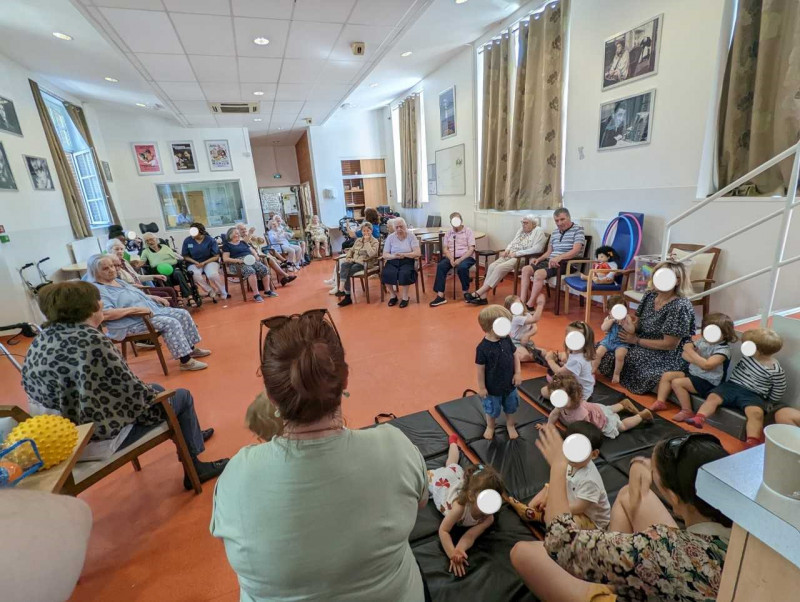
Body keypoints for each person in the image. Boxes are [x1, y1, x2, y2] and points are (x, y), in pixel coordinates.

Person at [211, 310, 432, 601]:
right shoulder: (394, 447)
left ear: (270, 393)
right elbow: (421, 503)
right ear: (345, 378)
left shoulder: (238, 475)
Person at [21, 281, 227, 487]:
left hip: (58, 432)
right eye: (99, 300)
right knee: (181, 396)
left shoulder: (42, 338)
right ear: (90, 307)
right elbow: (134, 395)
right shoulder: (91, 341)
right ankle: (195, 468)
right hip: (93, 436)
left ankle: (191, 435)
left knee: (157, 388)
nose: (102, 304)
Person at [511, 428, 731, 602]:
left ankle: (604, 580)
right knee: (629, 493)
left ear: (673, 496)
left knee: (521, 552)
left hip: (666, 569)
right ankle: (610, 569)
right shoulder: (745, 527)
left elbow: (559, 542)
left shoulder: (658, 549)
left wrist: (558, 465)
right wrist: (637, 464)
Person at [87, 254, 210, 371]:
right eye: (105, 268)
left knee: (183, 314)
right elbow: (106, 314)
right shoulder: (99, 290)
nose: (112, 270)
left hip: (150, 313)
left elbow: (135, 295)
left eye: (112, 266)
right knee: (170, 323)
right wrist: (136, 310)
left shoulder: (118, 281)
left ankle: (190, 349)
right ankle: (186, 361)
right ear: (95, 272)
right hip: (130, 323)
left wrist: (154, 298)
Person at [597, 260, 697, 394]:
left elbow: (670, 344)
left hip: (666, 353)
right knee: (602, 348)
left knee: (627, 357)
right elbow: (638, 323)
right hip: (640, 339)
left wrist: (635, 340)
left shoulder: (680, 306)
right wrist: (625, 325)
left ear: (677, 281)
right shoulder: (650, 295)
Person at [687, 328, 786, 448]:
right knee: (713, 397)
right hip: (732, 386)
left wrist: (770, 401)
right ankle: (700, 417)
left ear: (759, 351)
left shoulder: (775, 369)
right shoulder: (748, 357)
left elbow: (779, 387)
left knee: (756, 413)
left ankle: (752, 440)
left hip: (753, 394)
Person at [507, 422, 610, 530]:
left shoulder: (590, 481)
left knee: (569, 522)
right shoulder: (570, 461)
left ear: (594, 454)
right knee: (548, 487)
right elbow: (560, 481)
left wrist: (552, 506)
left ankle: (539, 517)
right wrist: (548, 495)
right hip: (571, 496)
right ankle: (529, 509)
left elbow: (579, 507)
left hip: (591, 520)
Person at [429, 436, 506, 578]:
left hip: (459, 480)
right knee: (434, 474)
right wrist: (451, 553)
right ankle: (452, 445)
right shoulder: (459, 508)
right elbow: (444, 530)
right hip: (444, 485)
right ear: (471, 497)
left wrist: (459, 550)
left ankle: (453, 443)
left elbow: (470, 535)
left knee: (452, 463)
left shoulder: (488, 517)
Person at [652, 312, 737, 421]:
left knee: (677, 383)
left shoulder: (723, 350)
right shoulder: (703, 341)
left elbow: (707, 365)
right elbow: (684, 354)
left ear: (725, 334)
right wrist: (696, 358)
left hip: (708, 381)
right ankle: (660, 401)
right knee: (667, 375)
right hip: (694, 373)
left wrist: (691, 352)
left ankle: (687, 410)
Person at [541, 373, 652, 439]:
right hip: (596, 409)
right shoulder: (561, 404)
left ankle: (641, 416)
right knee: (608, 409)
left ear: (573, 398)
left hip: (600, 420)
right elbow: (554, 415)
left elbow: (588, 429)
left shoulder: (580, 413)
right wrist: (548, 426)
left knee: (621, 426)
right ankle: (622, 404)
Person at [466, 215, 546, 305]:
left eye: (526, 223)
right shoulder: (521, 230)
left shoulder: (538, 231)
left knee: (500, 268)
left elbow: (537, 249)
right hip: (511, 254)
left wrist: (517, 254)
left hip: (523, 258)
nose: (523, 225)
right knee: (492, 266)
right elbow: (512, 242)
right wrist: (507, 249)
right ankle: (483, 297)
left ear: (534, 224)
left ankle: (479, 293)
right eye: (522, 222)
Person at [518, 208, 586, 310]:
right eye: (557, 221)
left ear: (569, 217)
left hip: (567, 263)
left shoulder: (578, 229)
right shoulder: (555, 232)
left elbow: (576, 250)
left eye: (562, 219)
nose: (559, 223)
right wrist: (539, 259)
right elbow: (549, 252)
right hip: (550, 260)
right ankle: (522, 302)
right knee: (525, 269)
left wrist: (560, 257)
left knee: (538, 274)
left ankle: (530, 305)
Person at [476, 305, 521, 440]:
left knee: (511, 406)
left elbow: (515, 355)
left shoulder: (506, 339)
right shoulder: (482, 348)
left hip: (509, 385)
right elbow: (480, 369)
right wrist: (482, 387)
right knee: (492, 409)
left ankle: (510, 425)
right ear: (491, 328)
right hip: (492, 389)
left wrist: (517, 372)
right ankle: (490, 426)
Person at [105, 239, 178, 307]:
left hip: (141, 288)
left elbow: (138, 277)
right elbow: (121, 285)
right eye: (117, 249)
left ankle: (175, 309)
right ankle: (172, 311)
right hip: (134, 292)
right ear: (109, 250)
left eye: (121, 249)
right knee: (164, 294)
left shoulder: (124, 261)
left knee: (170, 289)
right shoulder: (112, 267)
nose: (120, 251)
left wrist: (155, 276)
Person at [326, 208, 381, 292]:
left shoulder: (369, 230)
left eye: (365, 215)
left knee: (342, 263)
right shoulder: (375, 226)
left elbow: (352, 235)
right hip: (358, 256)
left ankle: (337, 284)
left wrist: (348, 226)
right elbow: (354, 248)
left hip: (364, 259)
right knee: (342, 260)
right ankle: (335, 281)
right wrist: (349, 254)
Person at [430, 212, 476, 307]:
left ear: (461, 221)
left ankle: (465, 292)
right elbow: (445, 248)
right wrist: (451, 258)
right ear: (451, 222)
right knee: (441, 266)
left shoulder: (468, 231)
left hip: (466, 257)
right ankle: (440, 296)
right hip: (451, 256)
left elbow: (471, 249)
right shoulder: (449, 233)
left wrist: (460, 260)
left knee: (462, 267)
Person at [542, 321, 597, 401]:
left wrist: (550, 360)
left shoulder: (577, 360)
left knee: (544, 391)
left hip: (579, 396)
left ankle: (572, 402)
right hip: (584, 389)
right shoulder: (581, 353)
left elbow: (559, 372)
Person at [222, 227, 277, 303]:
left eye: (238, 233)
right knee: (250, 271)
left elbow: (252, 251)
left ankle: (267, 290)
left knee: (264, 268)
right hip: (237, 263)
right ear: (230, 235)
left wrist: (256, 255)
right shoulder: (227, 245)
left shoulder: (243, 242)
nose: (238, 234)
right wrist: (238, 260)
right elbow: (225, 259)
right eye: (236, 233)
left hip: (250, 260)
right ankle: (256, 294)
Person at [139, 232, 194, 301]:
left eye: (151, 239)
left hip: (172, 267)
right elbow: (141, 262)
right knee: (165, 277)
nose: (150, 242)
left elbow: (174, 256)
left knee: (178, 273)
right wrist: (135, 264)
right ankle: (176, 297)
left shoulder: (165, 247)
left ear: (156, 239)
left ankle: (188, 295)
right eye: (147, 241)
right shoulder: (145, 252)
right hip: (159, 270)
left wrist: (180, 257)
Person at [336, 222, 379, 307]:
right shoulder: (358, 240)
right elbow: (351, 250)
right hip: (354, 261)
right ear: (361, 231)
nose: (366, 232)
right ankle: (341, 289)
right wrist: (348, 257)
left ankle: (347, 296)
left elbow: (371, 254)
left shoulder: (375, 241)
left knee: (345, 271)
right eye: (364, 231)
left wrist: (367, 242)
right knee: (344, 265)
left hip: (365, 263)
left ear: (371, 231)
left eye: (368, 230)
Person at [593, 295, 634, 383]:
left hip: (621, 343)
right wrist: (611, 321)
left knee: (620, 356)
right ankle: (593, 369)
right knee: (598, 353)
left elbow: (632, 330)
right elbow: (603, 328)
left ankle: (616, 374)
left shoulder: (627, 318)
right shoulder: (608, 318)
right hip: (608, 341)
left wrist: (625, 325)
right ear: (609, 311)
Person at [181, 222, 227, 300]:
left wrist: (204, 262)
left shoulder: (210, 240)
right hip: (194, 263)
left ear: (200, 231)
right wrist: (195, 262)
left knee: (212, 274)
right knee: (194, 275)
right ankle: (210, 290)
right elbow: (185, 256)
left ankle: (223, 291)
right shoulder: (188, 240)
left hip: (210, 261)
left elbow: (216, 256)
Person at [381, 217, 420, 308]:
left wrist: (405, 255)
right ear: (394, 228)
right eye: (397, 227)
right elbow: (385, 254)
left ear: (405, 226)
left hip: (407, 259)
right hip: (393, 259)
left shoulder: (411, 236)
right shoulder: (390, 237)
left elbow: (417, 252)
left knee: (405, 273)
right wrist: (394, 256)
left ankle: (405, 297)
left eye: (401, 226)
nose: (399, 229)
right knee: (386, 273)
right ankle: (393, 295)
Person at [504, 294, 546, 364]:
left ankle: (533, 355)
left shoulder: (527, 314)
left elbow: (535, 327)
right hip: (515, 342)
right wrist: (540, 305)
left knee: (544, 352)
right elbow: (535, 319)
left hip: (526, 342)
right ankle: (507, 354)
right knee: (524, 356)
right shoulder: (515, 318)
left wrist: (527, 335)